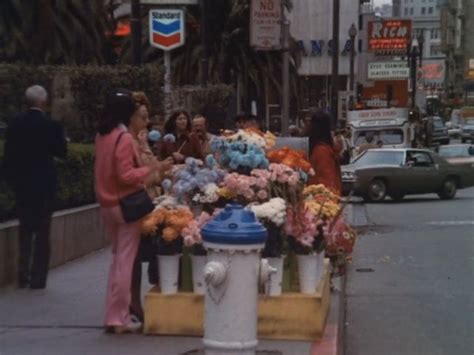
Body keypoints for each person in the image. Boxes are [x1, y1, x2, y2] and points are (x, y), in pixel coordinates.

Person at [94, 88, 167, 334]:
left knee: (117, 260)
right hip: (125, 205)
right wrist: (149, 169)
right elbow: (126, 176)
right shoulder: (123, 138)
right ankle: (118, 318)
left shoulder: (102, 135)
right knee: (125, 261)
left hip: (107, 205)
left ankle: (111, 315)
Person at [2, 85, 67, 289]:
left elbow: (8, 155)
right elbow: (61, 152)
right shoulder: (52, 125)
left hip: (22, 185)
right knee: (42, 231)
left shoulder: (14, 124)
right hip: (44, 185)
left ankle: (23, 275)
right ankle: (38, 279)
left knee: (25, 230)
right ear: (43, 102)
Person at [128, 91, 173, 322]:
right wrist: (158, 172)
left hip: (149, 200)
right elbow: (134, 176)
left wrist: (161, 168)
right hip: (136, 202)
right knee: (136, 254)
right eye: (142, 116)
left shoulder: (141, 139)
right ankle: (133, 301)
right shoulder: (127, 143)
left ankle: (139, 300)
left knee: (147, 250)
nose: (146, 122)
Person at [307, 110, 342, 196]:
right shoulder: (324, 150)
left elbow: (326, 180)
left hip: (322, 198)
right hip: (325, 199)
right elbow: (327, 180)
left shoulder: (320, 150)